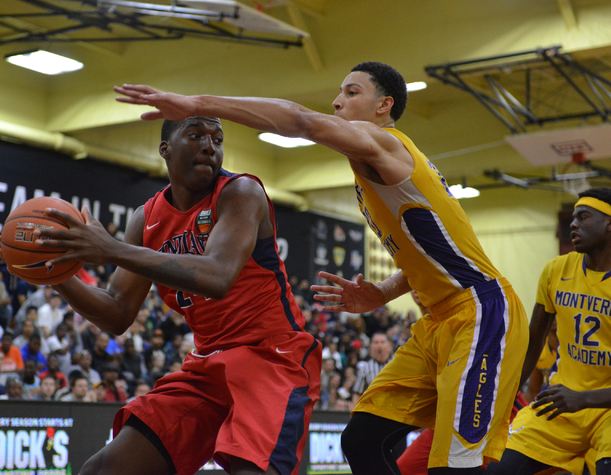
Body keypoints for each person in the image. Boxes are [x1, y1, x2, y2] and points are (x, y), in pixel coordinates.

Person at [113, 62, 528, 474]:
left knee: (456, 466)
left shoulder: (385, 143)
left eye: (351, 92)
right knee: (361, 439)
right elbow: (440, 255)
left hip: (480, 311)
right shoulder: (376, 169)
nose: (336, 101)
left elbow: (299, 120)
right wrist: (383, 292)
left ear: (383, 106)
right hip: (438, 319)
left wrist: (193, 103)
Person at [26, 114, 322, 475]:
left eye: (217, 138)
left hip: (272, 358)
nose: (209, 145)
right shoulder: (146, 218)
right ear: (165, 149)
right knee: (104, 468)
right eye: (195, 135)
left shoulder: (241, 193)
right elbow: (118, 313)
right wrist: (52, 272)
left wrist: (112, 249)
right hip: (206, 367)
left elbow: (218, 275)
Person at [488, 188, 611, 475]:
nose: (573, 224)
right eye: (572, 218)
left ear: (609, 225)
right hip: (561, 403)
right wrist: (508, 392)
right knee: (498, 470)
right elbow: (534, 340)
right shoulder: (556, 269)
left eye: (583, 217)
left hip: (606, 409)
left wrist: (585, 399)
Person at [351, 331, 394, 405]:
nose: (379, 346)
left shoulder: (398, 365)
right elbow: (357, 394)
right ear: (371, 346)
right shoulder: (365, 368)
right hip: (373, 411)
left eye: (382, 342)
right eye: (376, 342)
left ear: (389, 346)